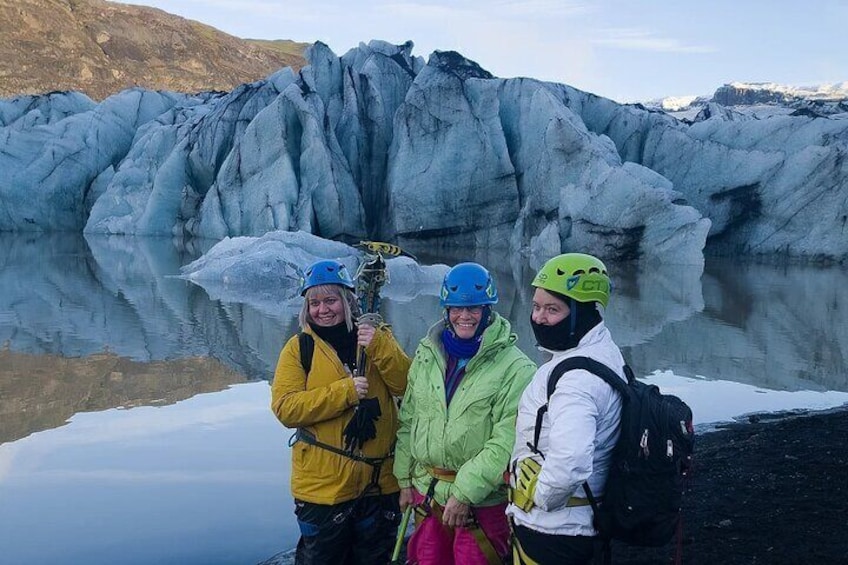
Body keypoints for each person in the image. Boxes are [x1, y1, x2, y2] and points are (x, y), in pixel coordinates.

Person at [393, 262, 536, 565]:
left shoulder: (515, 368)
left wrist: (463, 494)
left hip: (480, 504)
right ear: (446, 310)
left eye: (474, 309)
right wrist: (404, 479)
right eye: (456, 308)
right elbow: (409, 419)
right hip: (427, 492)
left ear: (488, 311)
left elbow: (506, 440)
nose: (464, 316)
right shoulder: (427, 353)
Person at [271, 259, 411, 565]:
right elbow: (286, 408)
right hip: (324, 489)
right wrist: (344, 392)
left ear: (349, 301)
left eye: (331, 300)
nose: (323, 309)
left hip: (378, 484)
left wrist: (381, 344)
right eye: (315, 302)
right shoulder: (299, 349)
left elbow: (406, 387)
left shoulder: (376, 336)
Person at [506, 253, 626, 565]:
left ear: (582, 312)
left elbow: (571, 461)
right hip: (581, 524)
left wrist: (538, 498)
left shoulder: (577, 381)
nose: (539, 318)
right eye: (536, 306)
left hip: (554, 531)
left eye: (552, 309)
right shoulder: (602, 352)